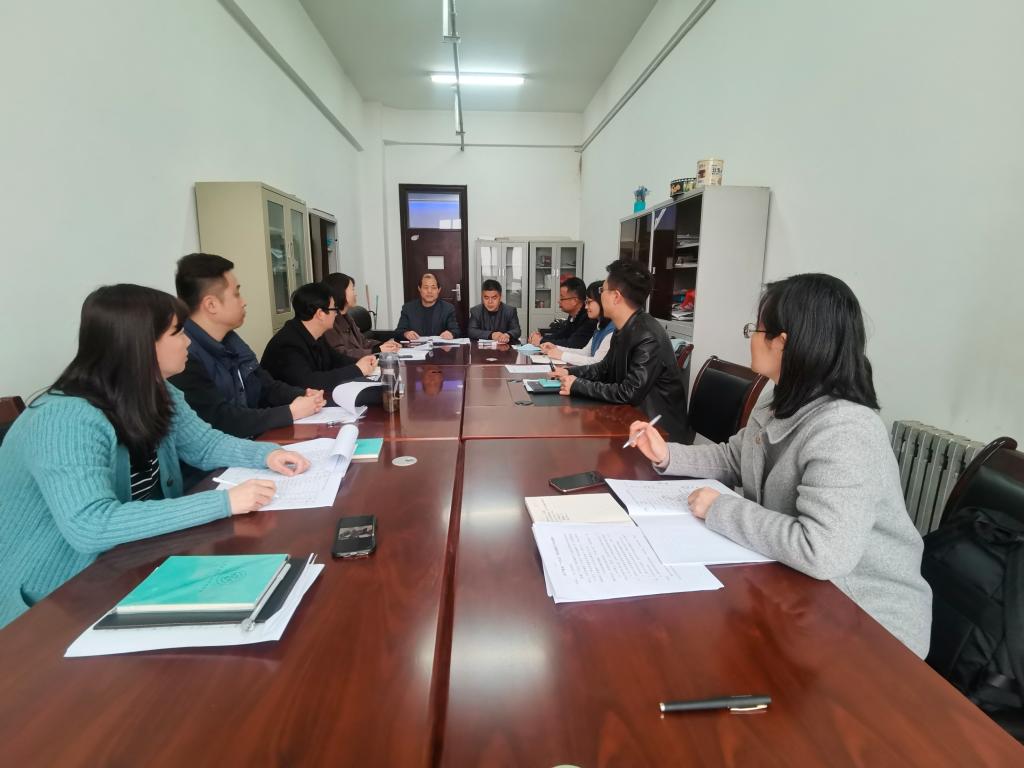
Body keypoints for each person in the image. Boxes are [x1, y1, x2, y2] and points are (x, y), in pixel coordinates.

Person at [628, 273, 932, 658]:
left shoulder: (846, 429)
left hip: (867, 624)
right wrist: (667, 455)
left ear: (782, 342)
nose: (751, 337)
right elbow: (735, 457)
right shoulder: (781, 398)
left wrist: (722, 509)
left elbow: (822, 551)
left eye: (756, 329)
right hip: (799, 591)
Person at [0, 284, 311, 628]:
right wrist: (224, 502)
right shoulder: (65, 418)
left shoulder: (158, 391)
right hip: (52, 602)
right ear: (140, 344)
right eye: (177, 332)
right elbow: (91, 525)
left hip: (128, 563)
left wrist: (267, 454)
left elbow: (204, 445)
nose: (188, 341)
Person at [169, 253, 326, 440]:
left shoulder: (231, 340)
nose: (243, 302)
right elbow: (221, 419)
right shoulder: (183, 356)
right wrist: (290, 412)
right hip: (225, 454)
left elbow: (266, 387)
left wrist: (302, 394)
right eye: (236, 294)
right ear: (211, 305)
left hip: (253, 442)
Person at [553, 261, 690, 442]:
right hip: (632, 419)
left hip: (657, 432)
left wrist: (578, 385)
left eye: (602, 290)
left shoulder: (648, 335)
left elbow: (629, 392)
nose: (600, 296)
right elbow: (604, 368)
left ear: (616, 296)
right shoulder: (623, 328)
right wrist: (569, 372)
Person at [261, 283, 377, 397]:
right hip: (285, 406)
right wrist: (357, 369)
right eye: (334, 309)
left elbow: (336, 360)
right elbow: (309, 382)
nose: (336, 314)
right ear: (320, 314)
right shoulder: (287, 344)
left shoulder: (315, 335)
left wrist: (364, 363)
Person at [322, 272, 400, 357]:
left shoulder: (347, 317)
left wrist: (384, 345)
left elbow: (363, 342)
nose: (355, 294)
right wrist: (377, 350)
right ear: (340, 292)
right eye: (352, 289)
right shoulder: (329, 322)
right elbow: (341, 354)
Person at [540, 281, 614, 366]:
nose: (586, 307)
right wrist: (556, 348)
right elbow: (586, 352)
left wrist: (562, 355)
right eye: (586, 302)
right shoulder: (600, 326)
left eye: (589, 302)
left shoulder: (611, 330)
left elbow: (597, 363)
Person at [528, 277, 595, 349]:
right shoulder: (573, 316)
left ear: (574, 301)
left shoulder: (589, 318)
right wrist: (541, 338)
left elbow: (573, 344)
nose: (558, 301)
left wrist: (541, 341)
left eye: (562, 298)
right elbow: (560, 335)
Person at [394, 273, 460, 341]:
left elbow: (456, 330)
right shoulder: (408, 308)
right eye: (425, 287)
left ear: (439, 290)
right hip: (416, 347)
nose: (429, 291)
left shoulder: (448, 308)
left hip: (439, 347)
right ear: (419, 289)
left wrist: (451, 334)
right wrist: (406, 334)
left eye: (433, 288)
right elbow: (398, 332)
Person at [467, 279, 521, 343]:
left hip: (504, 347)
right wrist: (491, 335)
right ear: (482, 297)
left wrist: (507, 335)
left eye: (494, 298)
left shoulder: (510, 311)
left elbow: (517, 330)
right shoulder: (476, 311)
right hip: (482, 348)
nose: (490, 302)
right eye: (486, 298)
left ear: (500, 297)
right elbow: (471, 331)